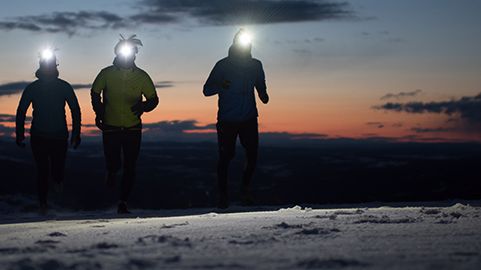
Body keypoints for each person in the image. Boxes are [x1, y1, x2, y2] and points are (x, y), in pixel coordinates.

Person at [90, 35, 158, 214]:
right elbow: (95, 92)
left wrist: (143, 106)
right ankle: (111, 171)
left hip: (133, 128)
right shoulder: (106, 73)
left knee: (130, 165)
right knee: (114, 163)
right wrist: (100, 113)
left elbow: (153, 99)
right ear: (117, 53)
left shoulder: (142, 76)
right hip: (110, 127)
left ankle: (123, 201)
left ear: (135, 54)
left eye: (131, 52)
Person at [203, 29, 269, 209]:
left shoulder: (256, 65)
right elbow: (207, 90)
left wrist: (263, 94)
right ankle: (223, 196)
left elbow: (260, 83)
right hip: (227, 119)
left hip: (248, 117)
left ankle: (245, 189)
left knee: (252, 155)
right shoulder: (223, 65)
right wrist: (220, 85)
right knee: (225, 157)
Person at [16, 48, 81, 214]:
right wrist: (20, 134)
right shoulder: (33, 88)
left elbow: (75, 110)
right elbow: (21, 111)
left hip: (59, 136)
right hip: (39, 136)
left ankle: (57, 181)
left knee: (57, 170)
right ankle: (43, 204)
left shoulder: (64, 87)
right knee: (42, 170)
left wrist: (76, 134)